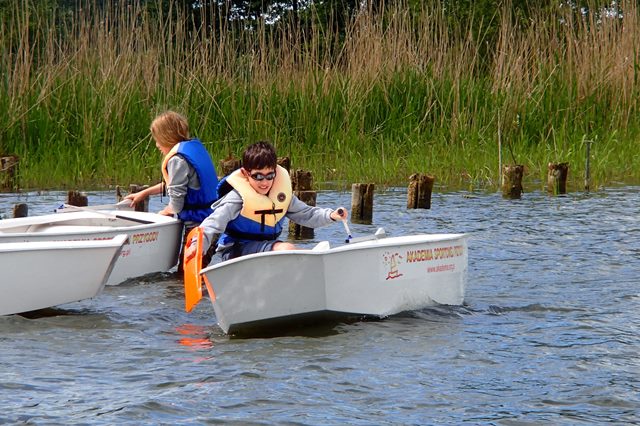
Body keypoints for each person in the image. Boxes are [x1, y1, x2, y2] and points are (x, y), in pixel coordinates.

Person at [186, 140, 347, 263]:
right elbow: (213, 223)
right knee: (287, 249)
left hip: (266, 249)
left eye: (270, 176)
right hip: (236, 251)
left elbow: (307, 214)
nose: (265, 182)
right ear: (246, 173)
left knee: (293, 250)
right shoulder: (237, 198)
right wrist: (196, 245)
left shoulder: (281, 196)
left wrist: (331, 215)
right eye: (258, 176)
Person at [125, 110, 219, 272]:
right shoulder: (191, 149)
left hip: (199, 228)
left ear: (166, 137)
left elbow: (176, 203)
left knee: (186, 276)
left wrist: (163, 213)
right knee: (190, 275)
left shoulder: (177, 160)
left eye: (157, 139)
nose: (156, 144)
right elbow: (177, 185)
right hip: (212, 223)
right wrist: (144, 193)